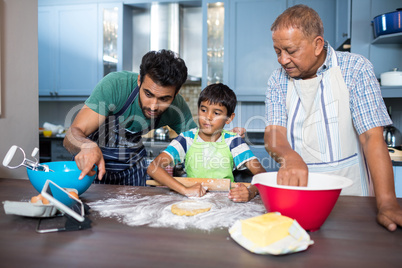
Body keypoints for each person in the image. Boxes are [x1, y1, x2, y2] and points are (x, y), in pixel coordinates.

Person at [264, 4, 402, 231]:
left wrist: (387, 202)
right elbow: (274, 133)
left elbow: (371, 137)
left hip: (353, 199)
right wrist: (289, 157)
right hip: (301, 199)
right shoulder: (277, 80)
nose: (282, 60)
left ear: (317, 44)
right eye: (278, 51)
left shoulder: (356, 69)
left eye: (290, 50)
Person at [64, 49, 244, 186]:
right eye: (148, 94)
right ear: (139, 81)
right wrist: (85, 144)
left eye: (164, 99)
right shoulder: (115, 86)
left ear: (176, 93)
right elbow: (72, 135)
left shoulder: (177, 108)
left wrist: (226, 137)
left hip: (132, 169)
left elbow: (198, 143)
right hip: (94, 168)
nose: (153, 106)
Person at [147, 83, 266, 202]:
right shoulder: (186, 139)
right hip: (193, 201)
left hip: (226, 202)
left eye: (216, 113)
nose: (208, 117)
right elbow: (153, 167)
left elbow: (261, 174)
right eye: (203, 110)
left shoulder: (233, 141)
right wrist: (184, 190)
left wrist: (250, 192)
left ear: (229, 118)